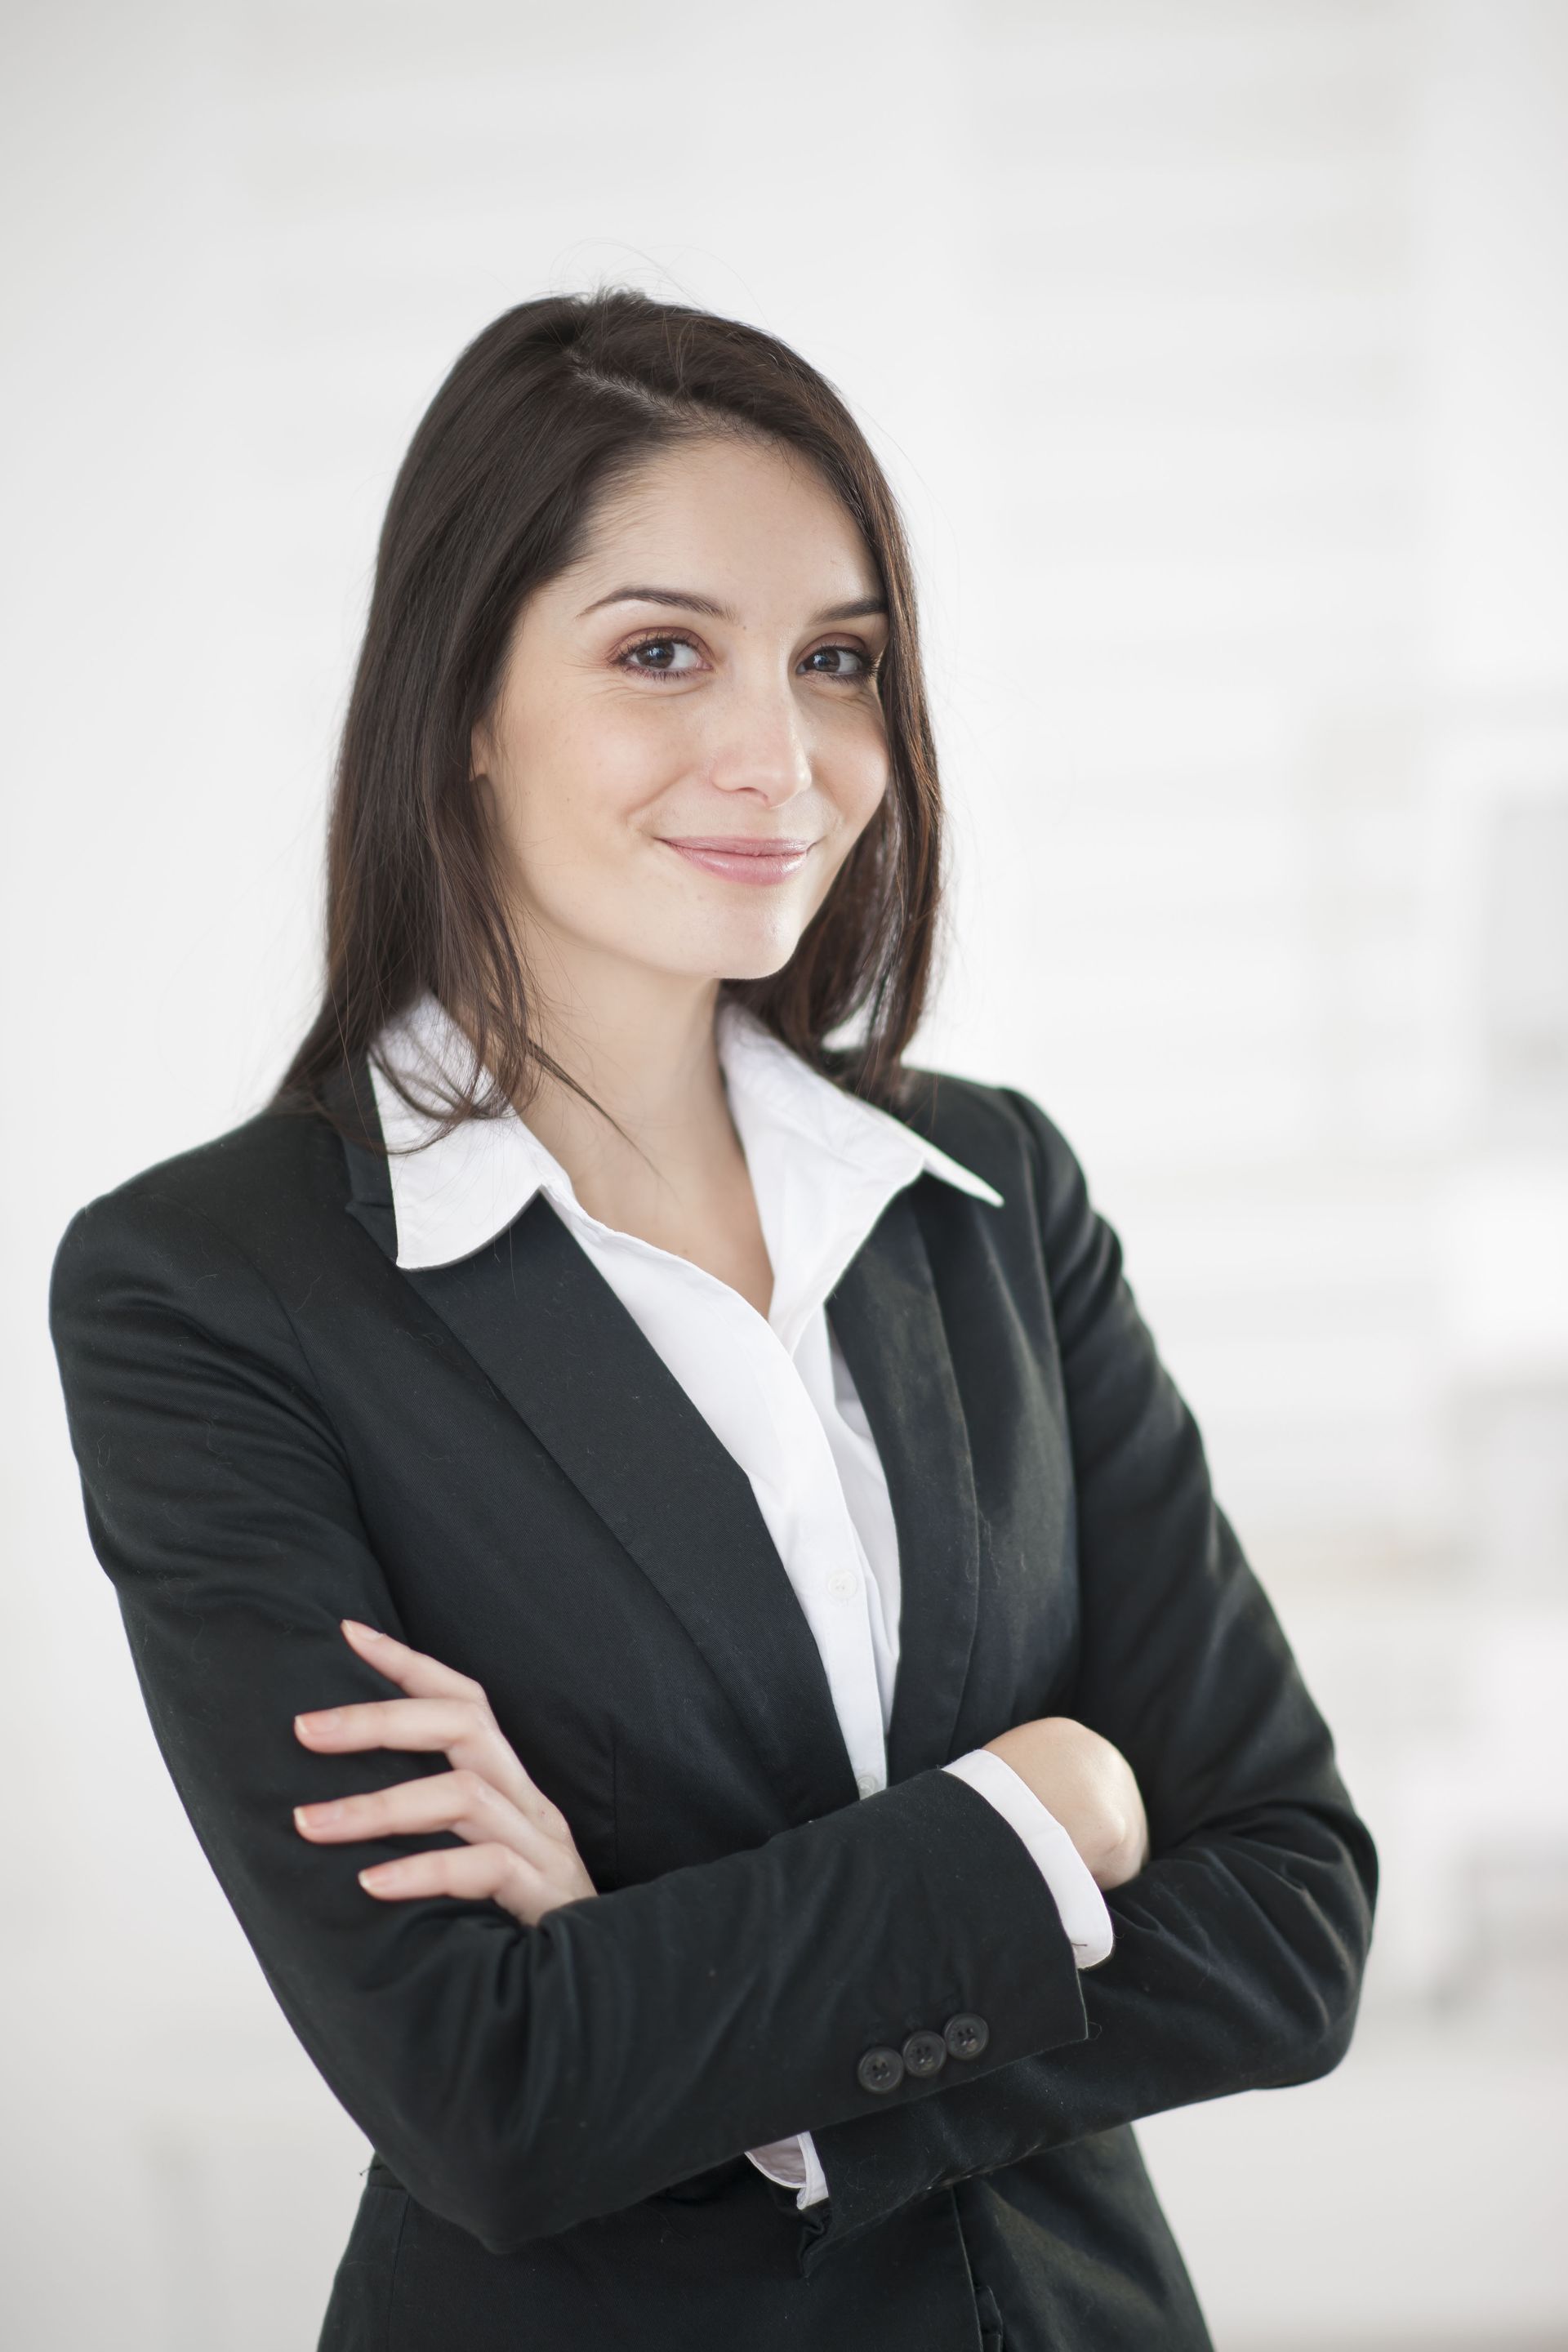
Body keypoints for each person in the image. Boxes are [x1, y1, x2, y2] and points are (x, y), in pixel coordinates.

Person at [47, 287, 1377, 2352]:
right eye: (663, 652)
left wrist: (687, 2020)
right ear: (462, 697)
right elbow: (488, 2093)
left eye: (836, 663)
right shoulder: (213, 1295)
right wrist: (1058, 1814)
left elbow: (1294, 1916)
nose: (783, 759)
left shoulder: (991, 1197)